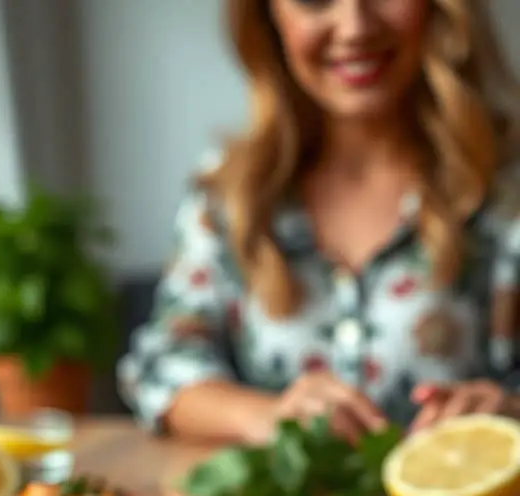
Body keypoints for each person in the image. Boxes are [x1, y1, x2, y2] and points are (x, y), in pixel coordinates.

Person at [118, 0, 520, 445]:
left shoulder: (507, 189)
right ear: (269, 17)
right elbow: (160, 365)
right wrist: (268, 417)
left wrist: (507, 410)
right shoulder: (230, 196)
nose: (355, 27)